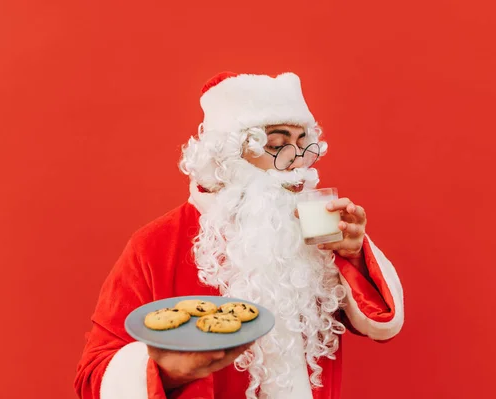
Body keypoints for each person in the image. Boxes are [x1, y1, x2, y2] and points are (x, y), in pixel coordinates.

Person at [74, 71, 405, 399]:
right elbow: (93, 377)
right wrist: (166, 372)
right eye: (277, 145)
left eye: (303, 145)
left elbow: (379, 323)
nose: (296, 163)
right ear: (228, 156)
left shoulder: (315, 233)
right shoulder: (155, 245)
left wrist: (353, 254)